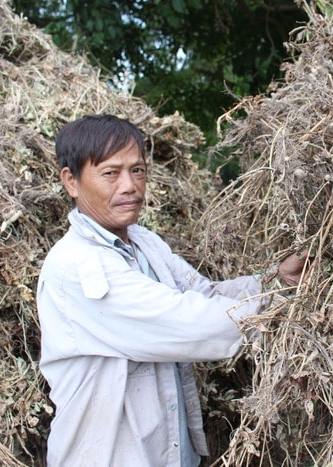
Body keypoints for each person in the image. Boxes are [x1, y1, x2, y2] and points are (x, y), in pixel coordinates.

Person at [36, 114, 307, 466]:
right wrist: (273, 309)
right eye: (110, 173)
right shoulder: (77, 266)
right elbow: (186, 323)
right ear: (71, 181)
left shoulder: (144, 243)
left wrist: (275, 280)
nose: (130, 185)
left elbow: (205, 295)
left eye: (138, 170)